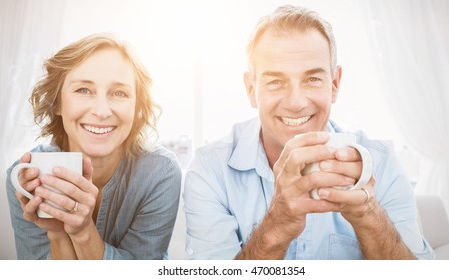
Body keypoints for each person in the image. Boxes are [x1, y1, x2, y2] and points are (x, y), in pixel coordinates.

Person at [183, 5, 434, 259]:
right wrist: (276, 226)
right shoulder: (210, 170)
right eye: (275, 82)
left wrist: (368, 216)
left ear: (334, 85)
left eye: (313, 79)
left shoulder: (381, 162)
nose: (296, 102)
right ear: (251, 89)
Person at [6, 33, 182, 259]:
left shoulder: (159, 173)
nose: (101, 111)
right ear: (57, 102)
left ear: (137, 107)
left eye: (119, 93)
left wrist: (82, 233)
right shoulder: (24, 179)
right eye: (83, 90)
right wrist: (58, 233)